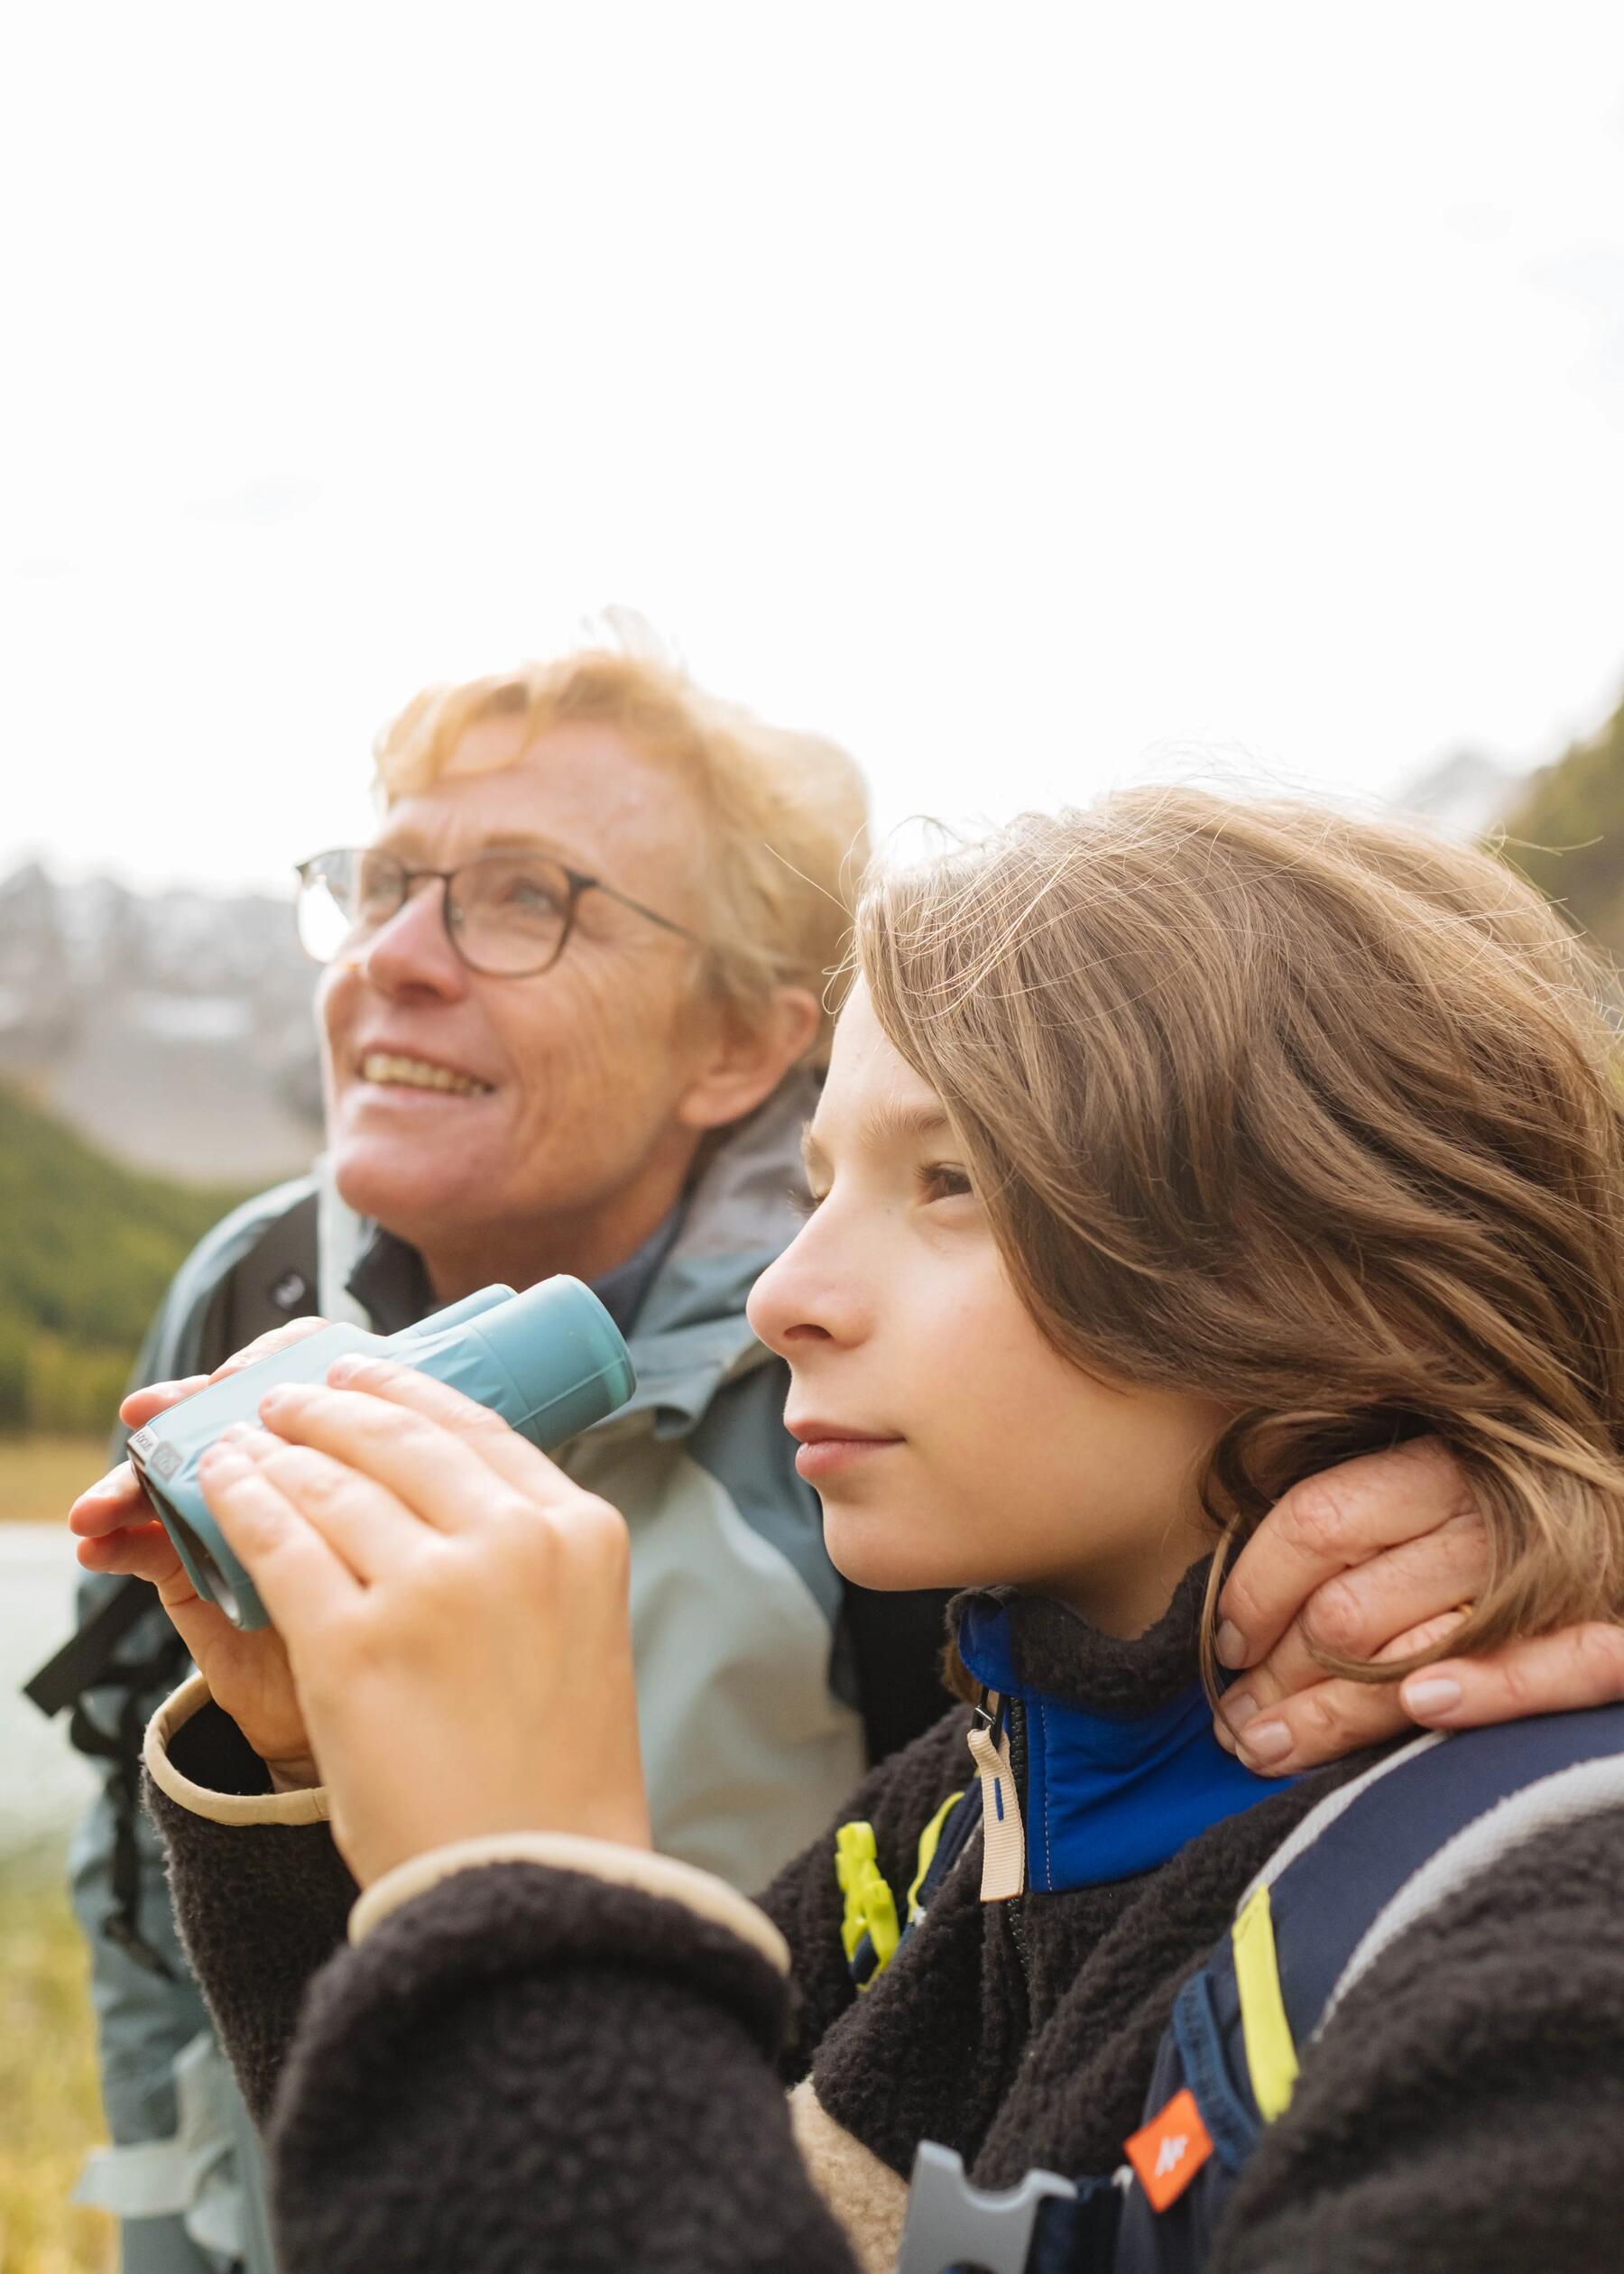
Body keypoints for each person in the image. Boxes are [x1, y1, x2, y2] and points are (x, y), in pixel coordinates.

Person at [90, 786, 1624, 2271]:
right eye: (819, 1186)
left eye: (949, 1180)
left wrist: (532, 1889)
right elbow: (489, 2185)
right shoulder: (962, 1815)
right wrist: (312, 1775)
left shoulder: (1548, 1962)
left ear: (1339, 1257)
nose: (785, 1298)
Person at [45, 629, 962, 2274]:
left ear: (739, 1049)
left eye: (525, 897)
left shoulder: (891, 1361)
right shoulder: (248, 1292)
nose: (392, 957)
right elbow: (136, 1895)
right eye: (383, 881)